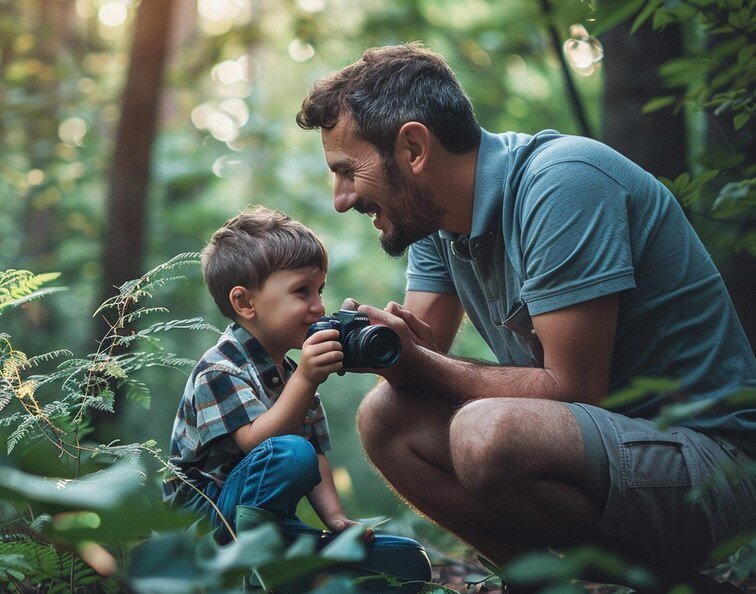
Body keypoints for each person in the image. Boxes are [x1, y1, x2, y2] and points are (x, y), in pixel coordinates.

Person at [295, 43, 756, 590]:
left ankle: (664, 585)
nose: (341, 198)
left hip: (714, 468)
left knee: (486, 432)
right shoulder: (433, 220)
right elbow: (422, 363)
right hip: (611, 459)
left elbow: (576, 388)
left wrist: (422, 363)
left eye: (348, 171)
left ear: (414, 148)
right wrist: (390, 347)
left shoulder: (563, 182)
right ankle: (547, 586)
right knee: (387, 417)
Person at [162, 206, 432, 591]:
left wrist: (336, 520)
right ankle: (253, 572)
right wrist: (306, 379)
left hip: (265, 522)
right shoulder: (219, 369)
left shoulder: (292, 375)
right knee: (289, 452)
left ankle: (281, 571)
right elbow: (262, 444)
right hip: (205, 522)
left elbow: (315, 454)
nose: (319, 307)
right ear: (244, 303)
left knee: (407, 560)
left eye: (320, 291)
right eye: (302, 291)